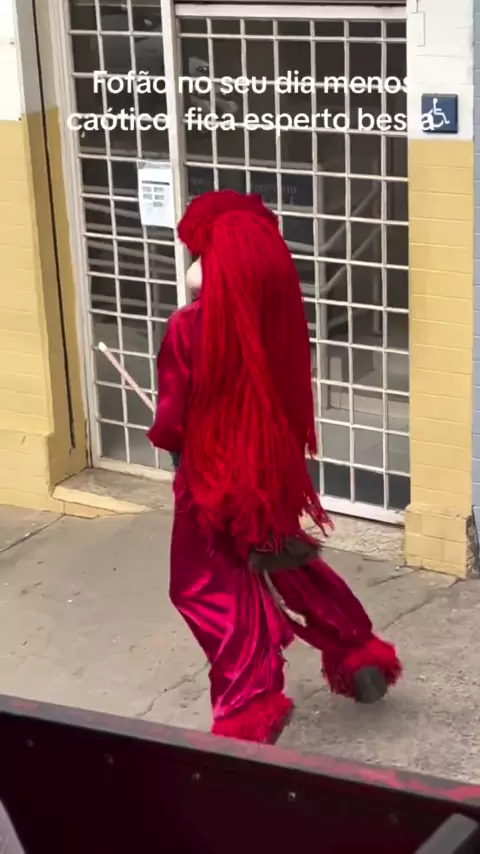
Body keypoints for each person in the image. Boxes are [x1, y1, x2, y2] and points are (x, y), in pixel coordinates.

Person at [147, 190, 402, 744]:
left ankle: (249, 702)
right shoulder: (276, 323)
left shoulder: (188, 327)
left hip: (210, 477)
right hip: (268, 471)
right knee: (286, 561)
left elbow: (171, 416)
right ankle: (358, 650)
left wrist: (167, 442)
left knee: (207, 586)